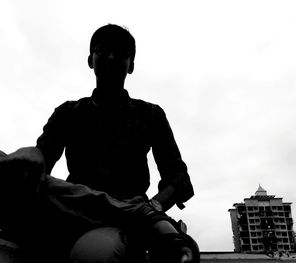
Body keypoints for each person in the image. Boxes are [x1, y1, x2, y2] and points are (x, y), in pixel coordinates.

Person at [0, 24, 198, 263]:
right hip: (72, 208)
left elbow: (178, 178)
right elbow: (43, 158)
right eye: (102, 51)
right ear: (90, 60)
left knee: (97, 254)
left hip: (120, 222)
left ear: (131, 66)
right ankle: (145, 217)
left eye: (121, 53)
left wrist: (154, 205)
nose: (111, 57)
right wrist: (31, 156)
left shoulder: (150, 115)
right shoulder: (68, 112)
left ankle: (143, 216)